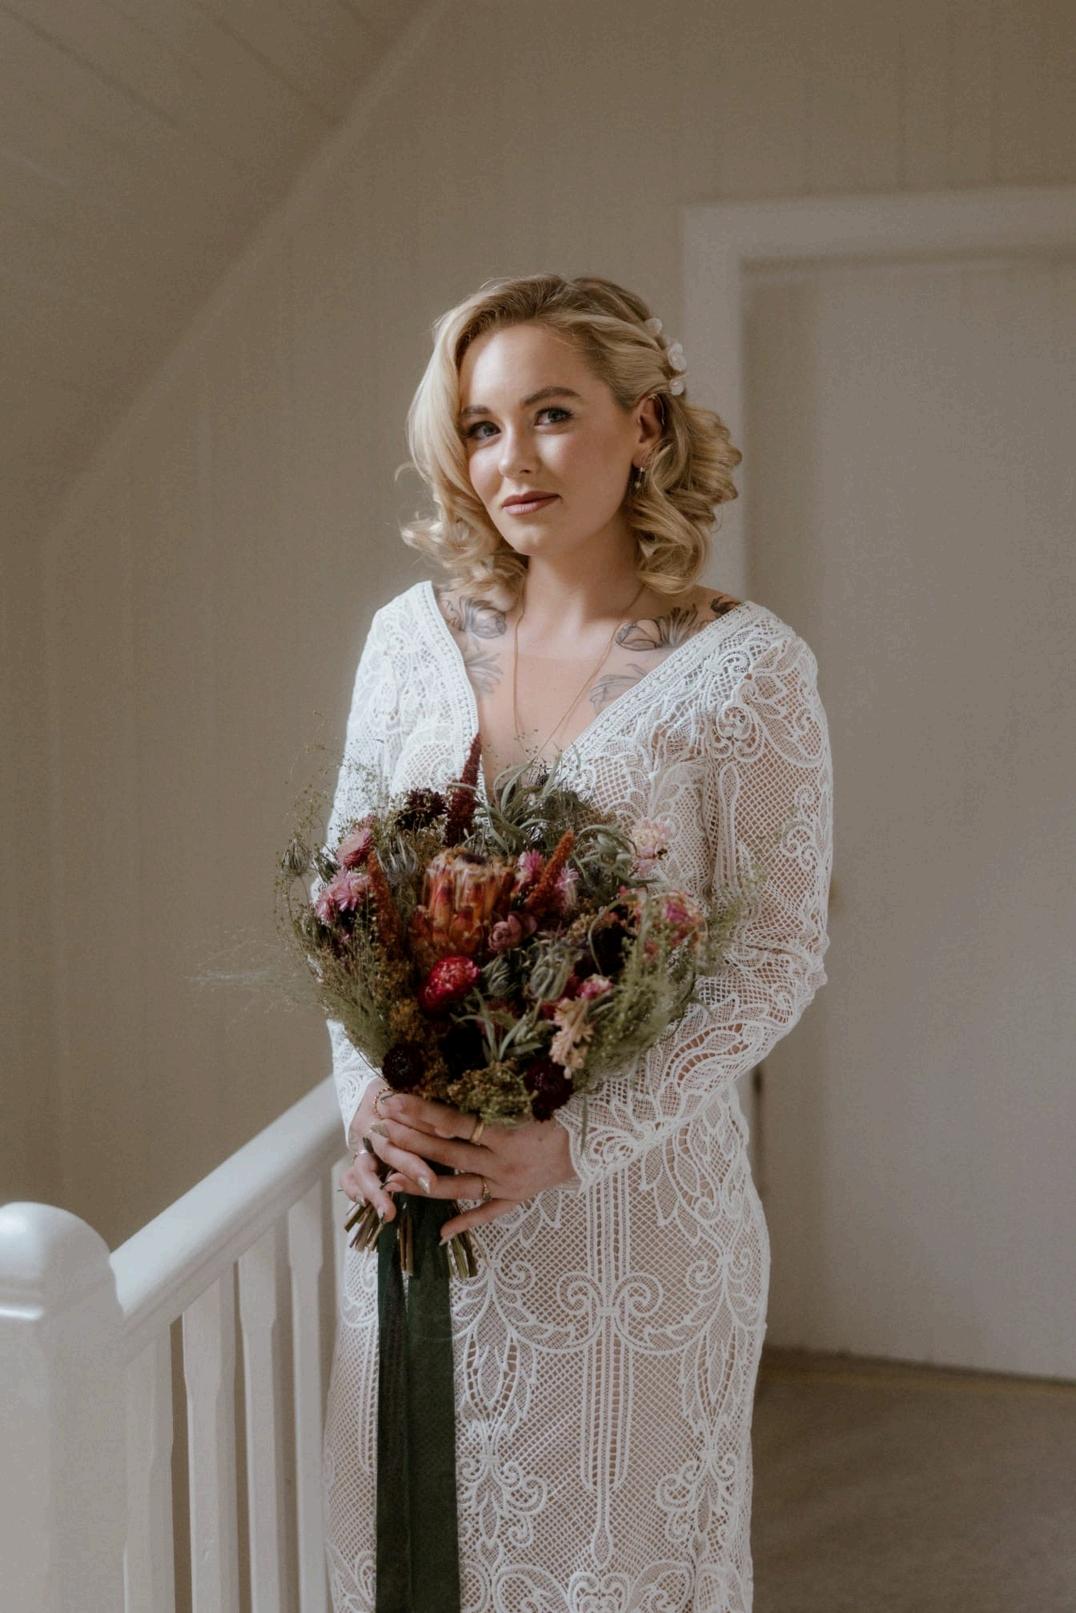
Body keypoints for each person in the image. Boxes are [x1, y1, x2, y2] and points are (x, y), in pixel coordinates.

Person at [320, 273, 833, 1612]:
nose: (512, 460)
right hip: (423, 1218)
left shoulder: (747, 669)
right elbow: (346, 909)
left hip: (635, 1235)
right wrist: (365, 1102)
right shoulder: (406, 643)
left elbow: (776, 955)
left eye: (551, 413)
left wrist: (577, 1142)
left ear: (644, 424)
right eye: (481, 426)